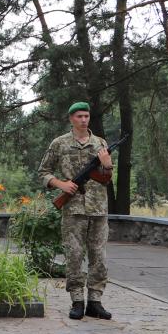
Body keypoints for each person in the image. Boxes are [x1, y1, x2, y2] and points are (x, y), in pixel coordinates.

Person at [38, 101, 113, 320]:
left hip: (98, 209)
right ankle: (77, 301)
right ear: (71, 118)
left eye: (86, 116)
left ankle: (95, 302)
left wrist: (107, 164)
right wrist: (61, 185)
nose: (83, 120)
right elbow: (43, 172)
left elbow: (107, 178)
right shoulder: (59, 143)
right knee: (74, 256)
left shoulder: (100, 143)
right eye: (79, 116)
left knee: (99, 257)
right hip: (73, 209)